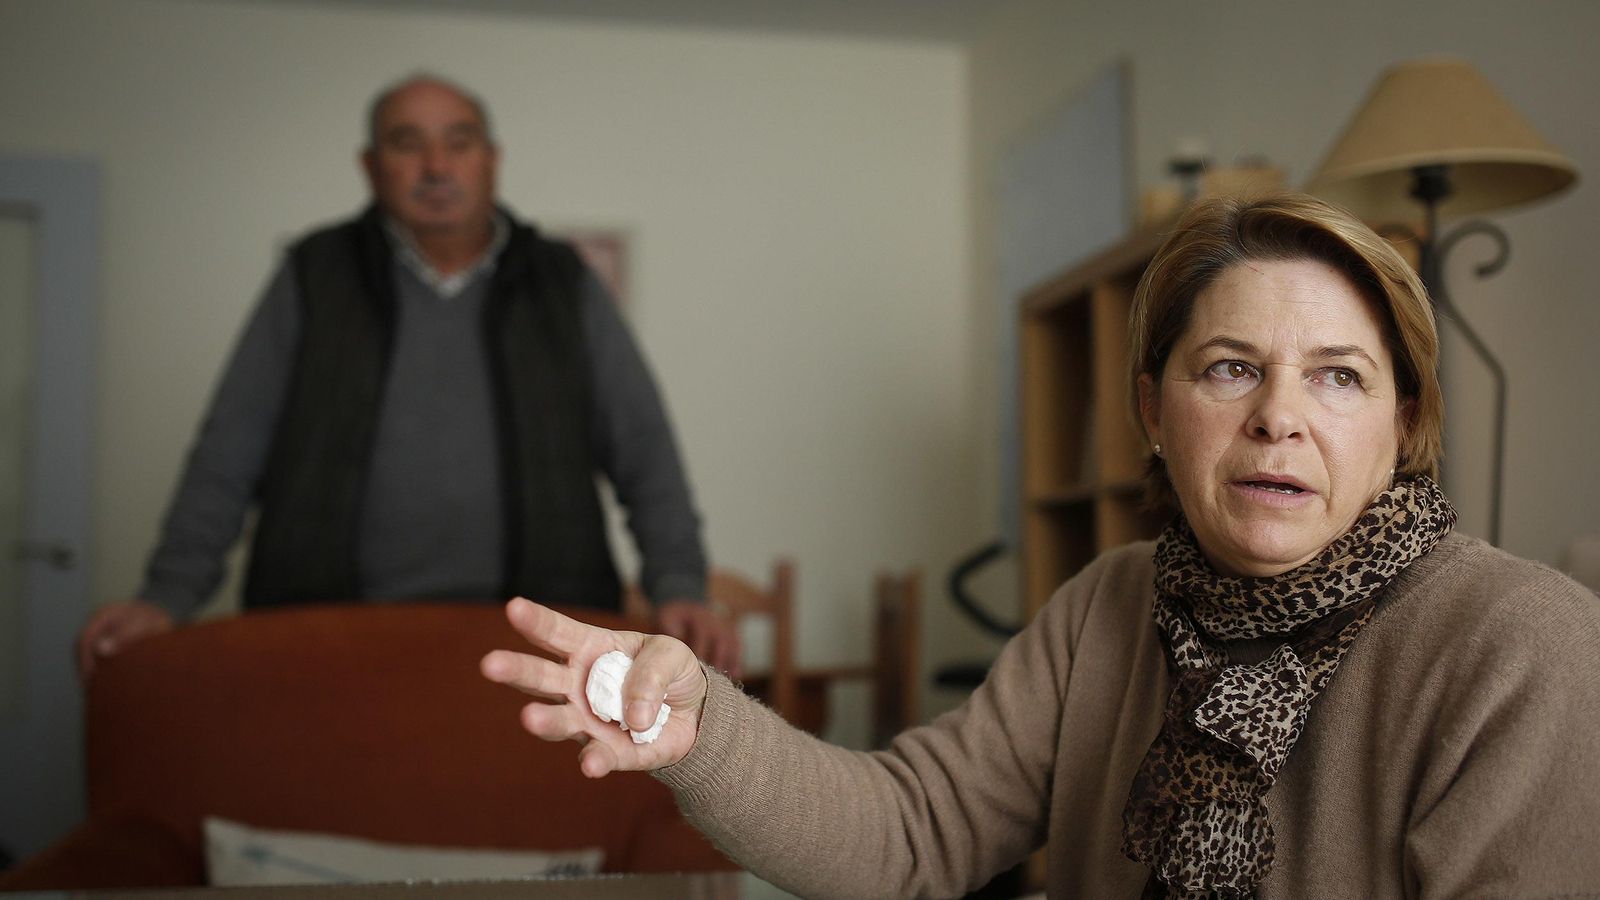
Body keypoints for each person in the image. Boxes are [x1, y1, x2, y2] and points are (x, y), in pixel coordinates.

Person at [481, 193, 1600, 897]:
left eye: (1338, 376)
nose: (1277, 416)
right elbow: (909, 838)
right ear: (1153, 412)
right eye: (1227, 366)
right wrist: (698, 731)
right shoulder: (1109, 604)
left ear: (1402, 423)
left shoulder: (1524, 646)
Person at [78, 73, 737, 679]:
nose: (436, 166)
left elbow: (644, 448)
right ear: (371, 167)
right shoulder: (314, 274)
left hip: (538, 644)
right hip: (326, 639)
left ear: (491, 159)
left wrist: (679, 586)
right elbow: (229, 450)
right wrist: (164, 597)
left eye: (459, 142)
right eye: (406, 144)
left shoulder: (562, 282)